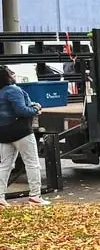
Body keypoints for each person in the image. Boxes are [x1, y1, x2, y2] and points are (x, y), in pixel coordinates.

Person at [0, 65, 48, 207]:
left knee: (5, 165)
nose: (14, 75)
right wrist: (36, 108)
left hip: (3, 133)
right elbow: (22, 111)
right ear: (7, 76)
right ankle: (35, 196)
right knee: (32, 163)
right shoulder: (13, 90)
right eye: (11, 73)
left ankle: (1, 197)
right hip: (21, 132)